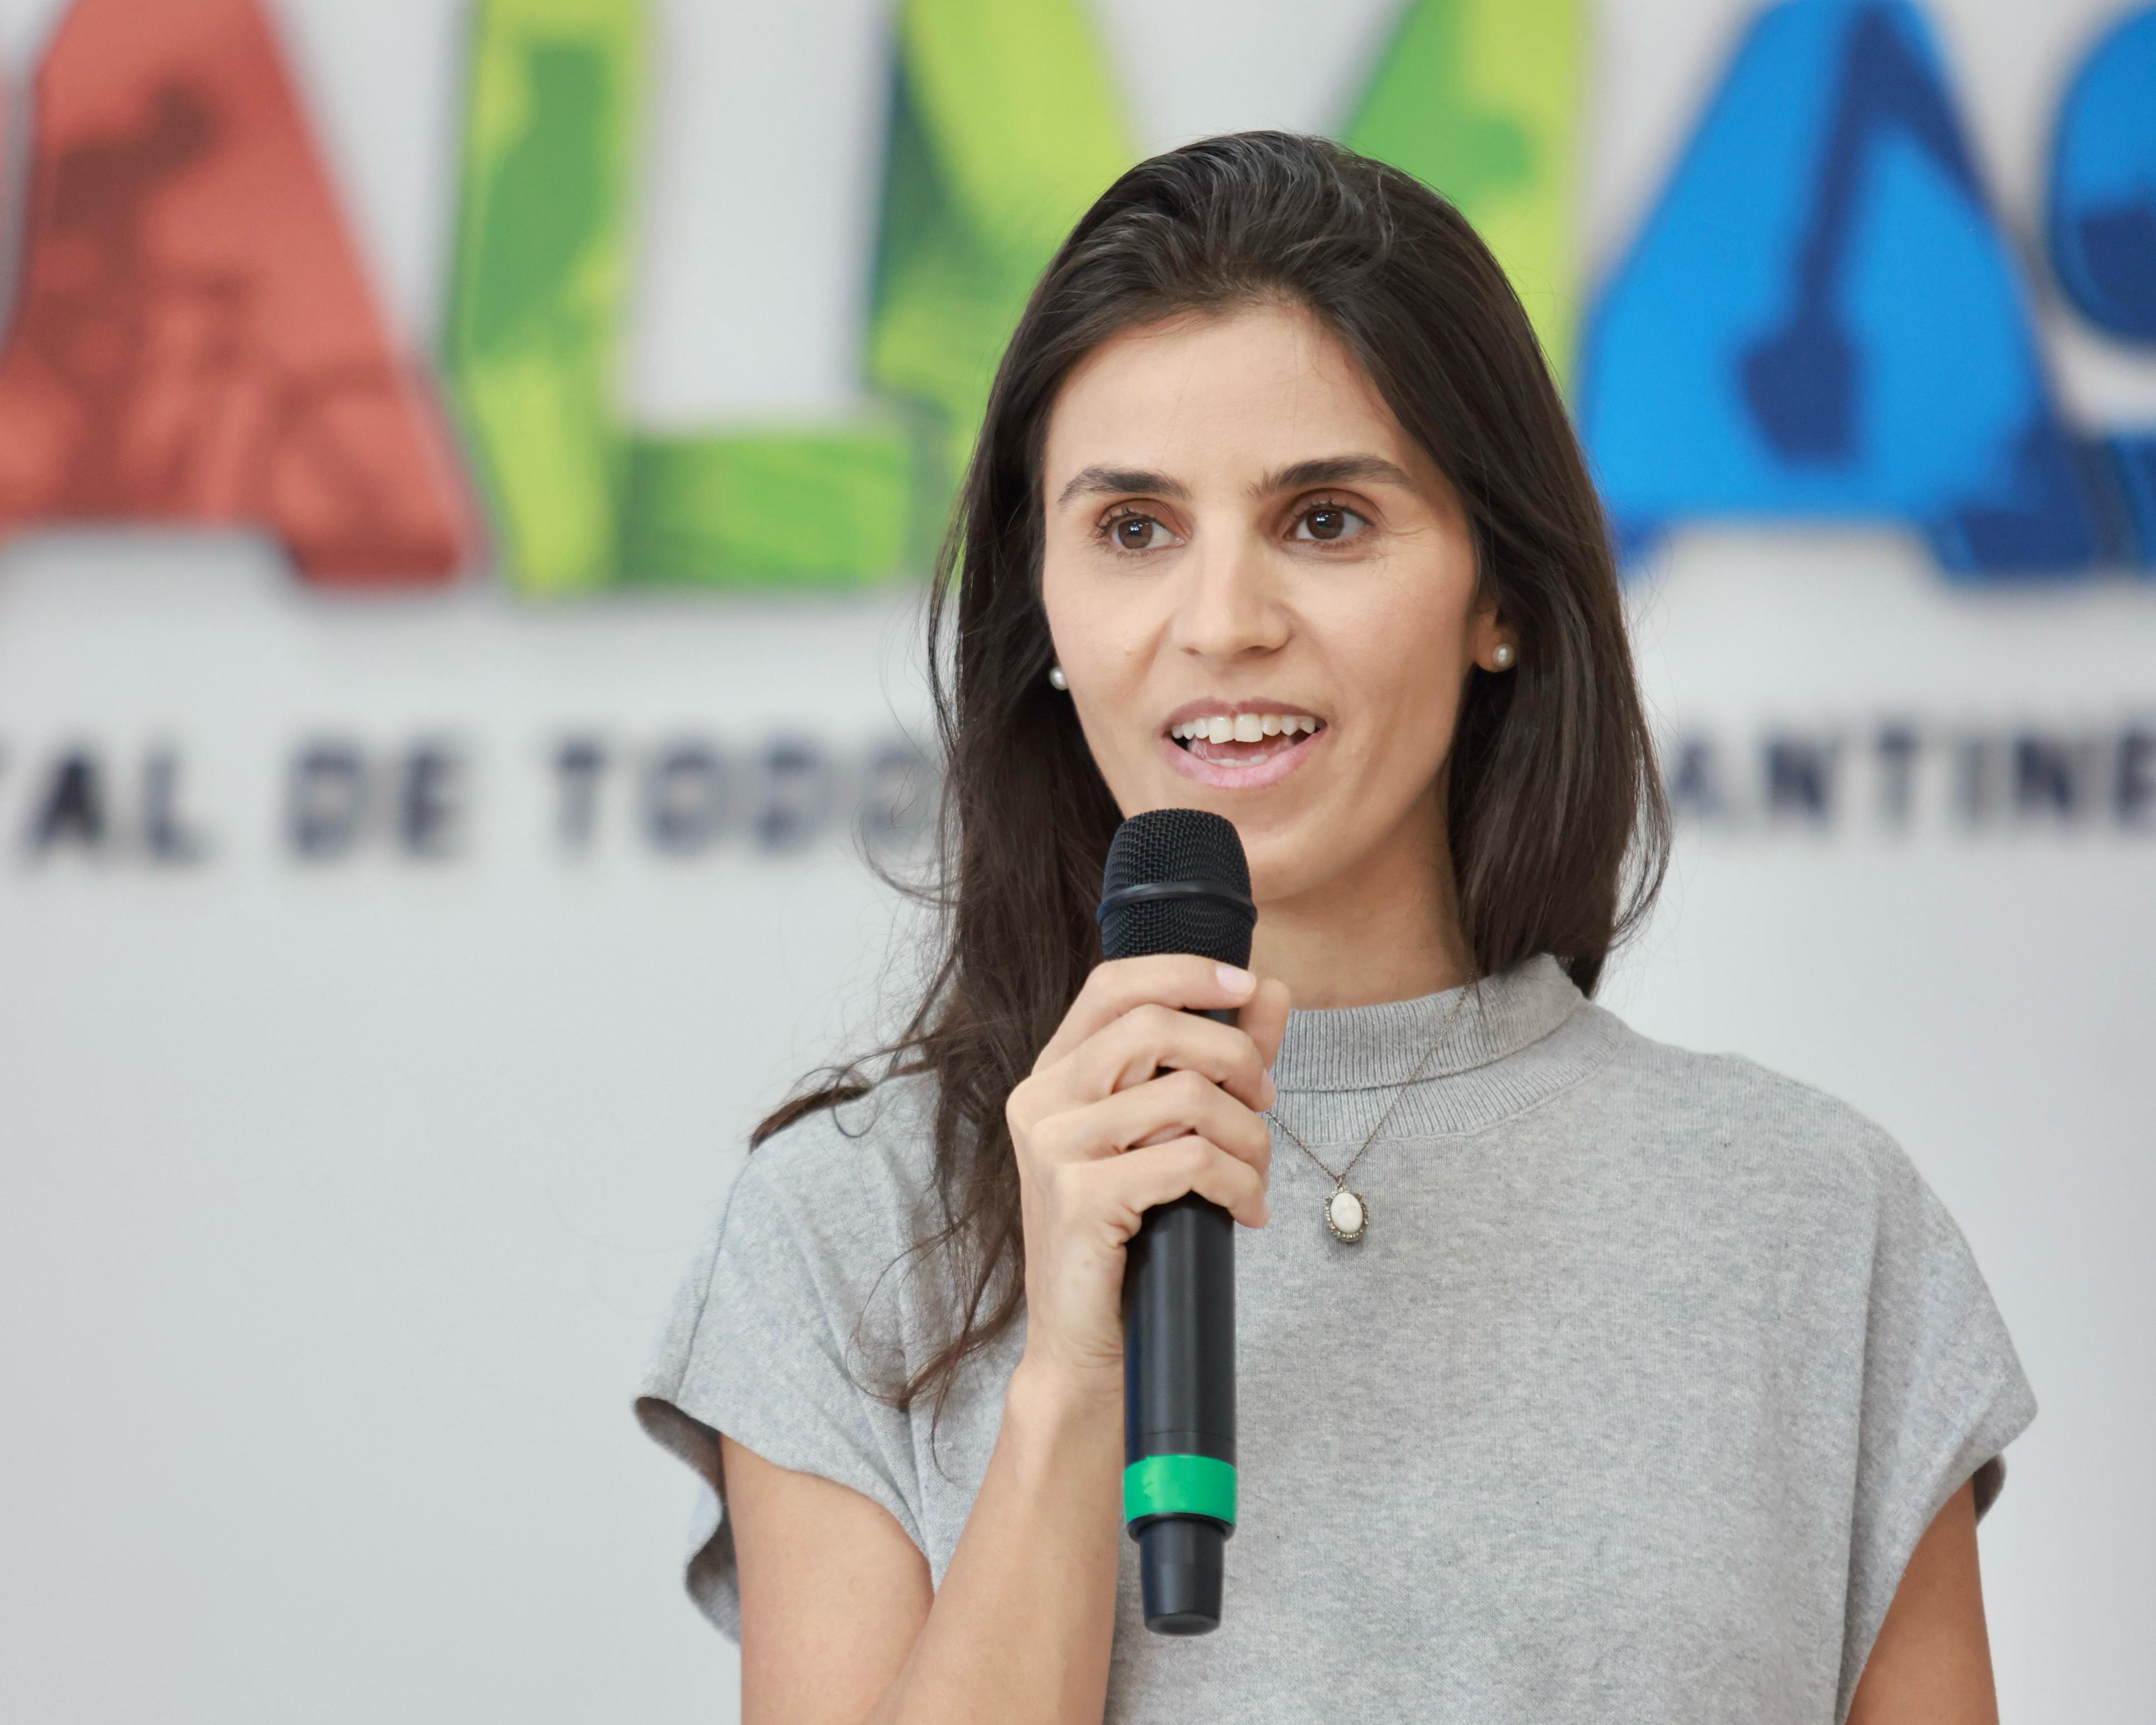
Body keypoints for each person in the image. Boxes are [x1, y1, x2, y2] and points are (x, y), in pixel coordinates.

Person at [635, 133, 2033, 1724]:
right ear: (1044, 621)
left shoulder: (1817, 1223)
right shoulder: (851, 1232)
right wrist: (1068, 1393)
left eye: (1323, 520)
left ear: (1498, 594)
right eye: (1134, 529)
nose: (1221, 620)